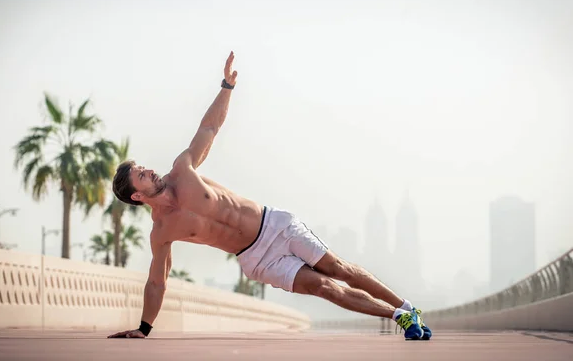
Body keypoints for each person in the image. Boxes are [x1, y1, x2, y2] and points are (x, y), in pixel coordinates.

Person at [107, 51, 432, 341]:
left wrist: (227, 87)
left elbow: (209, 129)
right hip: (257, 259)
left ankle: (407, 306)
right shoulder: (161, 231)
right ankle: (399, 317)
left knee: (338, 269)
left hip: (274, 225)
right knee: (323, 288)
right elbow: (157, 281)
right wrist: (144, 328)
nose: (149, 170)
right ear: (137, 196)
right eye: (141, 174)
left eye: (144, 167)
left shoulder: (182, 170)